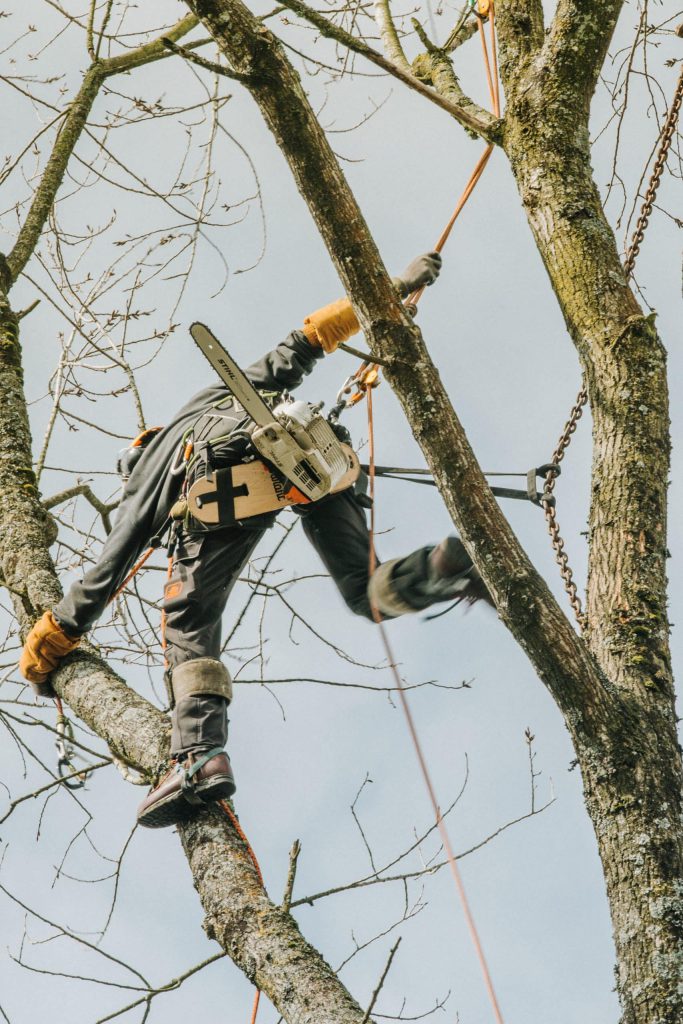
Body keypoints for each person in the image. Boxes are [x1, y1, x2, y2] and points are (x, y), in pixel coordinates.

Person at [19, 253, 492, 829]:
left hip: (223, 479)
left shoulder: (150, 475)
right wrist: (389, 290)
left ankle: (196, 756)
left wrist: (50, 641)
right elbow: (302, 344)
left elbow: (106, 571)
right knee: (365, 592)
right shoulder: (208, 397)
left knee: (188, 621)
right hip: (314, 458)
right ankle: (446, 566)